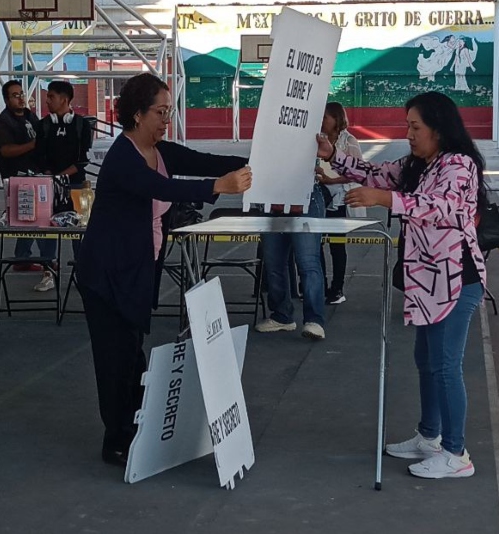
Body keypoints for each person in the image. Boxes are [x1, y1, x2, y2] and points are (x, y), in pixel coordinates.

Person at [75, 73, 251, 466]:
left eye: (168, 111)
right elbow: (165, 190)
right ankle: (116, 439)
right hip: (107, 274)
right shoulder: (123, 157)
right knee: (115, 360)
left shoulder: (160, 151)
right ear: (137, 114)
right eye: (160, 111)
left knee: (132, 354)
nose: (165, 119)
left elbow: (203, 161)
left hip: (137, 271)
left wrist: (259, 160)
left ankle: (137, 427)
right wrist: (218, 187)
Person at [320, 91, 487, 479]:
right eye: (407, 126)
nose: (409, 134)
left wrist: (387, 199)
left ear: (438, 128)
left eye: (415, 127)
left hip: (456, 280)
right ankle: (430, 435)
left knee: (446, 367)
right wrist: (333, 157)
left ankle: (456, 453)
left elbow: (442, 207)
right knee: (426, 362)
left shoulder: (458, 166)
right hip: (429, 281)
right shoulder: (420, 164)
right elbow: (377, 174)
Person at [28, 80, 94, 292]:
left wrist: (63, 176)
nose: (47, 101)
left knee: (80, 230)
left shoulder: (82, 125)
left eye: (51, 97)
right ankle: (49, 271)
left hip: (77, 186)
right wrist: (50, 176)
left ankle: (84, 273)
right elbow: (38, 156)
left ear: (64, 99)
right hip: (49, 186)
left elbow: (85, 158)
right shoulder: (44, 125)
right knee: (47, 229)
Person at [255, 185, 329, 339]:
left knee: (307, 262)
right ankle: (283, 315)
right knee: (274, 262)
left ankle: (313, 320)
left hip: (302, 196)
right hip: (272, 198)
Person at [0, 80, 42, 275]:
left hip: (35, 174)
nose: (21, 98)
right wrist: (33, 145)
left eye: (21, 94)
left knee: (31, 218)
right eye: (15, 95)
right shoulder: (3, 123)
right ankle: (39, 260)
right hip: (17, 177)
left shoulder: (30, 116)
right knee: (34, 218)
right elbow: (6, 151)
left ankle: (22, 257)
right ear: (6, 99)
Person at [314, 102, 364, 305]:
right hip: (321, 192)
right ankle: (320, 285)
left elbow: (357, 172)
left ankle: (337, 287)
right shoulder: (319, 139)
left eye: (325, 117)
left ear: (336, 119)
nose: (322, 121)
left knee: (337, 244)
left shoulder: (349, 141)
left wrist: (331, 180)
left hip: (340, 197)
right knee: (316, 243)